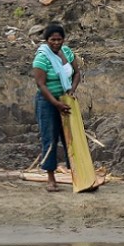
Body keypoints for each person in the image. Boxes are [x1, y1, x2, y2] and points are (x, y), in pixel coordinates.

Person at [32, 23, 81, 193]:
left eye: (59, 39)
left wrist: (72, 91)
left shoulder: (67, 53)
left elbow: (77, 73)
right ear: (46, 40)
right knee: (50, 139)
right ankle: (51, 179)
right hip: (47, 103)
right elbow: (40, 84)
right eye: (52, 39)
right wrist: (56, 103)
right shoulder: (41, 58)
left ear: (63, 40)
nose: (56, 42)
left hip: (66, 100)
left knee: (72, 138)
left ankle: (78, 175)